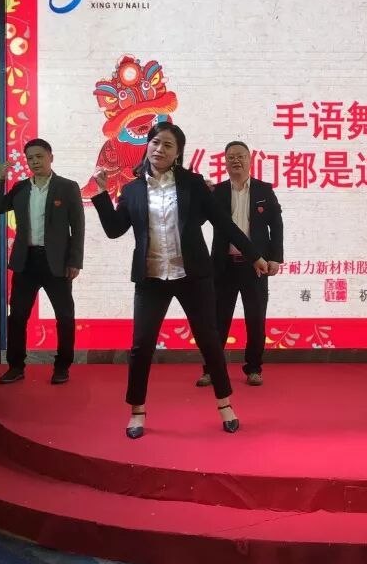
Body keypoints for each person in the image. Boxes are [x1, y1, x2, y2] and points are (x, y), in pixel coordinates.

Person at [91, 121, 268, 439]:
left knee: (209, 341)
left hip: (192, 276)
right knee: (141, 346)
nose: (160, 149)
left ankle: (225, 405)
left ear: (178, 154)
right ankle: (137, 411)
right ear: (148, 146)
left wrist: (254, 255)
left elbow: (223, 223)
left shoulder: (193, 184)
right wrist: (102, 194)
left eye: (168, 145)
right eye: (155, 142)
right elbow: (115, 229)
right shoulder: (132, 190)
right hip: (151, 278)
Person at [0, 139, 84, 385]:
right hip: (26, 262)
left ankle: (62, 367)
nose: (35, 162)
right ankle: (15, 366)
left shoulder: (67, 187)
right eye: (30, 158)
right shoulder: (20, 188)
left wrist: (75, 261)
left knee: (65, 317)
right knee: (17, 317)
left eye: (39, 156)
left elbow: (78, 227)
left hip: (57, 263)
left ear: (51, 157)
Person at [197, 140, 283, 388]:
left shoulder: (264, 190)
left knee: (255, 320)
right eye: (231, 157)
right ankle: (211, 370)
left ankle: (254, 368)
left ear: (250, 159)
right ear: (224, 162)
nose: (236, 160)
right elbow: (199, 220)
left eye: (241, 156)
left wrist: (275, 257)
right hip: (223, 266)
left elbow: (276, 225)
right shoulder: (217, 191)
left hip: (256, 267)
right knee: (217, 321)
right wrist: (201, 196)